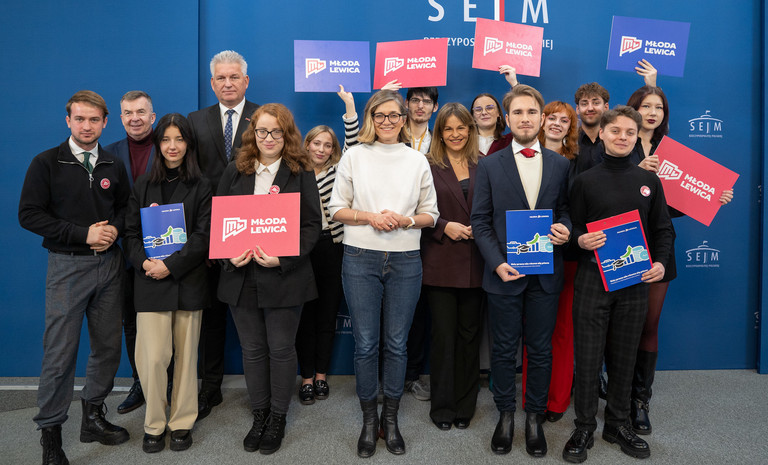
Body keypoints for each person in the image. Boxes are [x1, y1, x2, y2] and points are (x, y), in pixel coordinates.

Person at [19, 90, 131, 464]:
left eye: (94, 120)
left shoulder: (113, 164)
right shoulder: (46, 163)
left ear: (105, 123)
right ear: (68, 121)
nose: (86, 126)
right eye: (79, 119)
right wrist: (83, 234)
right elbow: (29, 214)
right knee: (60, 353)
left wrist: (114, 229)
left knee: (107, 347)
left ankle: (93, 416)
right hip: (67, 266)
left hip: (109, 267)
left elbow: (125, 208)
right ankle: (51, 435)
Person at [328, 90, 439, 457]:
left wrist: (405, 220)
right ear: (371, 119)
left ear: (404, 119)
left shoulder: (417, 160)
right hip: (360, 257)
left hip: (406, 259)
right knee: (365, 344)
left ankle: (390, 420)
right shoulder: (354, 156)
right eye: (380, 116)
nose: (387, 121)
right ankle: (368, 420)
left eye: (394, 115)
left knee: (396, 344)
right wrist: (370, 217)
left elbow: (431, 214)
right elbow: (336, 208)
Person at [564, 106, 674, 463]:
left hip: (635, 282)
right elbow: (571, 229)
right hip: (592, 279)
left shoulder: (649, 181)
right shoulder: (584, 180)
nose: (622, 137)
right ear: (603, 133)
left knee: (625, 356)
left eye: (629, 132)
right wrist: (579, 240)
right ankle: (583, 426)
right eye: (615, 131)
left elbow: (663, 230)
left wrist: (659, 262)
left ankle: (618, 424)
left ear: (636, 136)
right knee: (588, 358)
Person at [625, 85, 733, 435]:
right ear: (634, 109)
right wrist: (637, 172)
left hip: (659, 247)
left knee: (649, 325)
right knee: (620, 326)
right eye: (646, 106)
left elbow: (672, 206)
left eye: (658, 107)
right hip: (622, 245)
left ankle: (640, 400)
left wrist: (712, 197)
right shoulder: (619, 143)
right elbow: (605, 193)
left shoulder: (670, 151)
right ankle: (618, 396)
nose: (652, 113)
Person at [471, 85, 571, 458]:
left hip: (545, 273)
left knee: (540, 349)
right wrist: (497, 262)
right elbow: (480, 220)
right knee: (502, 349)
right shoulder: (490, 164)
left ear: (541, 118)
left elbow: (565, 211)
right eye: (517, 112)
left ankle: (533, 417)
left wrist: (565, 229)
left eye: (531, 112)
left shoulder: (560, 164)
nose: (525, 118)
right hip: (504, 273)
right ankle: (505, 415)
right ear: (507, 118)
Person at [217, 103, 321, 455]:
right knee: (252, 349)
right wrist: (228, 254)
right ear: (253, 133)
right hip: (241, 275)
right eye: (262, 131)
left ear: (287, 135)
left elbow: (312, 226)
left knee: (280, 349)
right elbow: (220, 220)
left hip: (284, 276)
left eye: (277, 131)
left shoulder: (300, 171)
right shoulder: (235, 169)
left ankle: (278, 416)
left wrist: (284, 257)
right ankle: (259, 414)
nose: (269, 138)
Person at [123, 113, 212, 453]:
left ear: (188, 144)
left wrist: (170, 266)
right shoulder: (143, 185)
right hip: (150, 281)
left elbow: (203, 236)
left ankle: (182, 422)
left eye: (179, 139)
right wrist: (145, 262)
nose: (172, 146)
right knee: (153, 358)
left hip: (188, 280)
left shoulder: (202, 185)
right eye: (165, 139)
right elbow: (131, 233)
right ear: (157, 144)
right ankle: (154, 423)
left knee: (187, 358)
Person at [187, 50, 259, 421]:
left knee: (257, 316)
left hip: (256, 230)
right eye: (221, 78)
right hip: (211, 232)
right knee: (212, 316)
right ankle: (210, 388)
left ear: (246, 81)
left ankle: (262, 392)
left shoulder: (265, 117)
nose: (227, 83)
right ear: (212, 83)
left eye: (234, 77)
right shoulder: (195, 121)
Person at [421, 103, 485, 431]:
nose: (455, 134)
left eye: (461, 128)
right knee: (444, 337)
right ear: (440, 132)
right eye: (448, 128)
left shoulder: (485, 163)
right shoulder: (426, 165)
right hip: (441, 261)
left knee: (470, 336)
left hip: (477, 262)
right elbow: (415, 209)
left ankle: (465, 406)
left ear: (470, 130)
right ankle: (443, 407)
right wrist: (444, 226)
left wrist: (483, 229)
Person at [519, 100, 580, 424]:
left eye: (564, 120)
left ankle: (556, 399)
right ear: (542, 121)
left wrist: (568, 231)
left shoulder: (579, 163)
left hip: (566, 258)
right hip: (529, 256)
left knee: (562, 331)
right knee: (534, 332)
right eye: (552, 117)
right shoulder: (524, 157)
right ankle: (533, 399)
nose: (557, 123)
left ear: (571, 127)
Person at [105, 90, 157, 415]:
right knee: (131, 322)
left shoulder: (170, 148)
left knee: (166, 321)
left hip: (165, 251)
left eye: (140, 111)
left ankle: (166, 383)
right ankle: (140, 383)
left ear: (152, 116)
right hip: (124, 253)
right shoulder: (107, 153)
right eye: (128, 112)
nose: (134, 118)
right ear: (121, 117)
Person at [294, 124, 344, 405]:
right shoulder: (294, 173)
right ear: (307, 144)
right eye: (317, 143)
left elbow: (353, 141)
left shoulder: (339, 171)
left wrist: (349, 108)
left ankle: (321, 375)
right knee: (305, 316)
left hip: (332, 247)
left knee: (327, 313)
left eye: (327, 145)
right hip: (302, 249)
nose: (321, 150)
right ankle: (306, 377)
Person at [471, 65, 518, 156]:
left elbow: (525, 110)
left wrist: (514, 83)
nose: (484, 112)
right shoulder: (463, 143)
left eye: (489, 108)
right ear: (472, 116)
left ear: (498, 113)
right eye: (478, 109)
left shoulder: (511, 141)